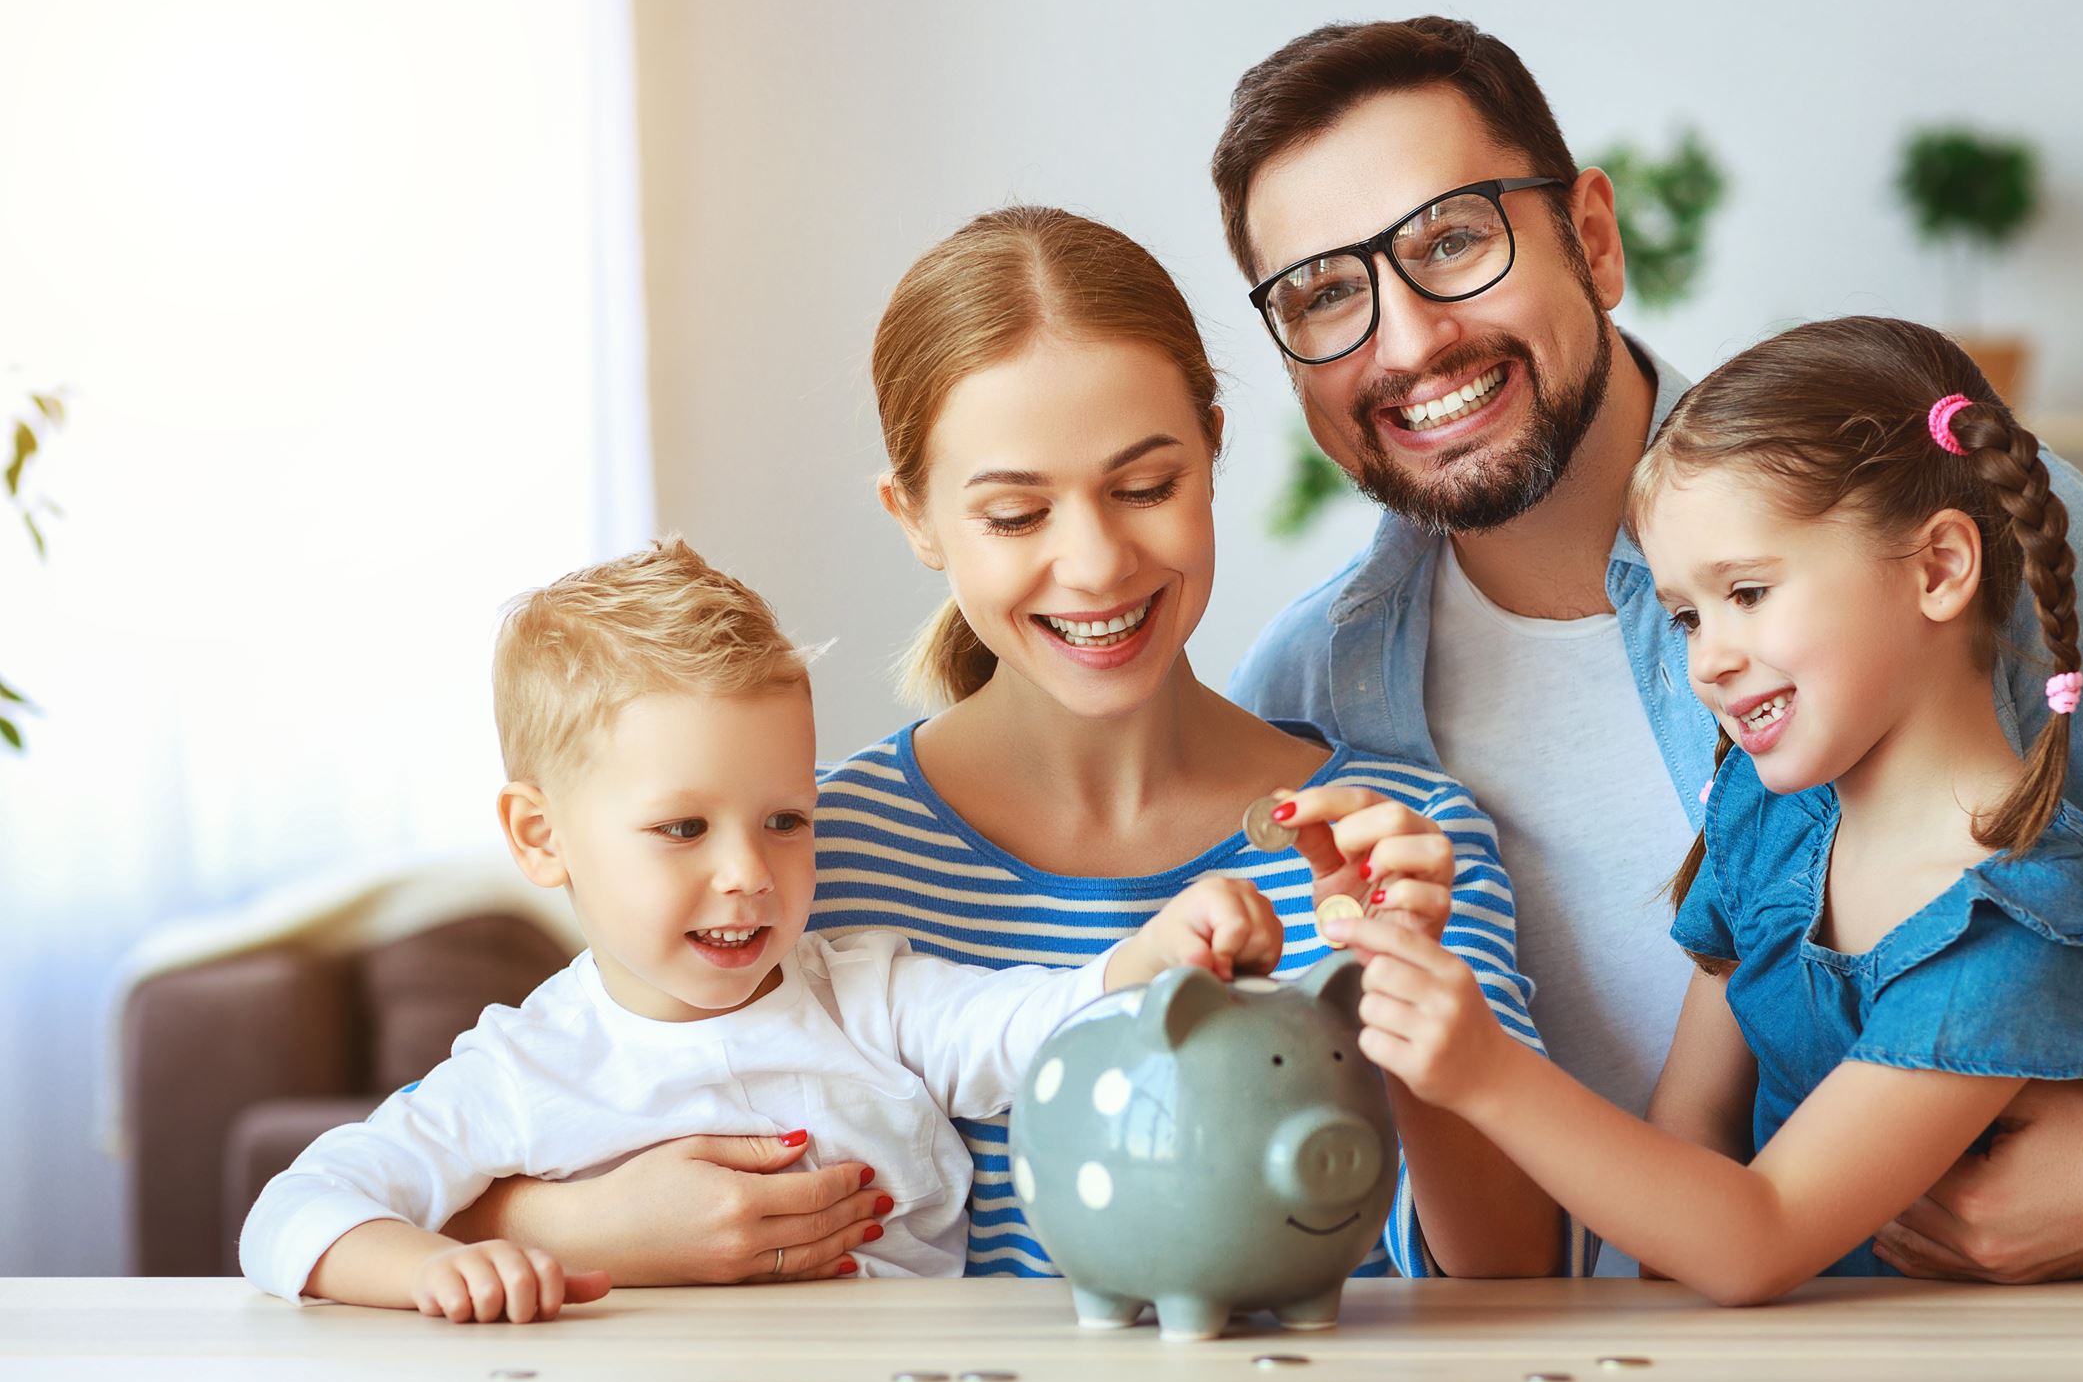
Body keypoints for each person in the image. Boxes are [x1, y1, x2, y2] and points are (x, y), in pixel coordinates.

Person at [1214, 17, 2083, 1279]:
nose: (1406, 343)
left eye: (1453, 239)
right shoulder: (1307, 698)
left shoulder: (1929, 512)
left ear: (1594, 237)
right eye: (1326, 294)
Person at [444, 208, 1565, 1283]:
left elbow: (1513, 1274)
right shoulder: (796, 857)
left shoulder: (1398, 842)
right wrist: (582, 1226)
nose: (1093, 563)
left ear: (1213, 448)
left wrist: (1410, 983)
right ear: (915, 517)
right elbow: (527, 1110)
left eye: (1144, 485)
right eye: (1016, 515)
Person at [1337, 318, 2083, 1300]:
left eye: (1748, 591)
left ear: (1939, 568)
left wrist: (1484, 1072)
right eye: (1687, 614)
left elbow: (1756, 1235)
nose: (1707, 657)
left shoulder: (2020, 923)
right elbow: (1689, 1139)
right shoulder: (1769, 813)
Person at [238, 538, 1289, 1321]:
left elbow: (1032, 1027)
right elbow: (292, 1212)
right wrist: (428, 1267)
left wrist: (1153, 954)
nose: (748, 874)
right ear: (540, 834)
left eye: (787, 819)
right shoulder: (523, 1066)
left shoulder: (862, 993)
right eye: (683, 828)